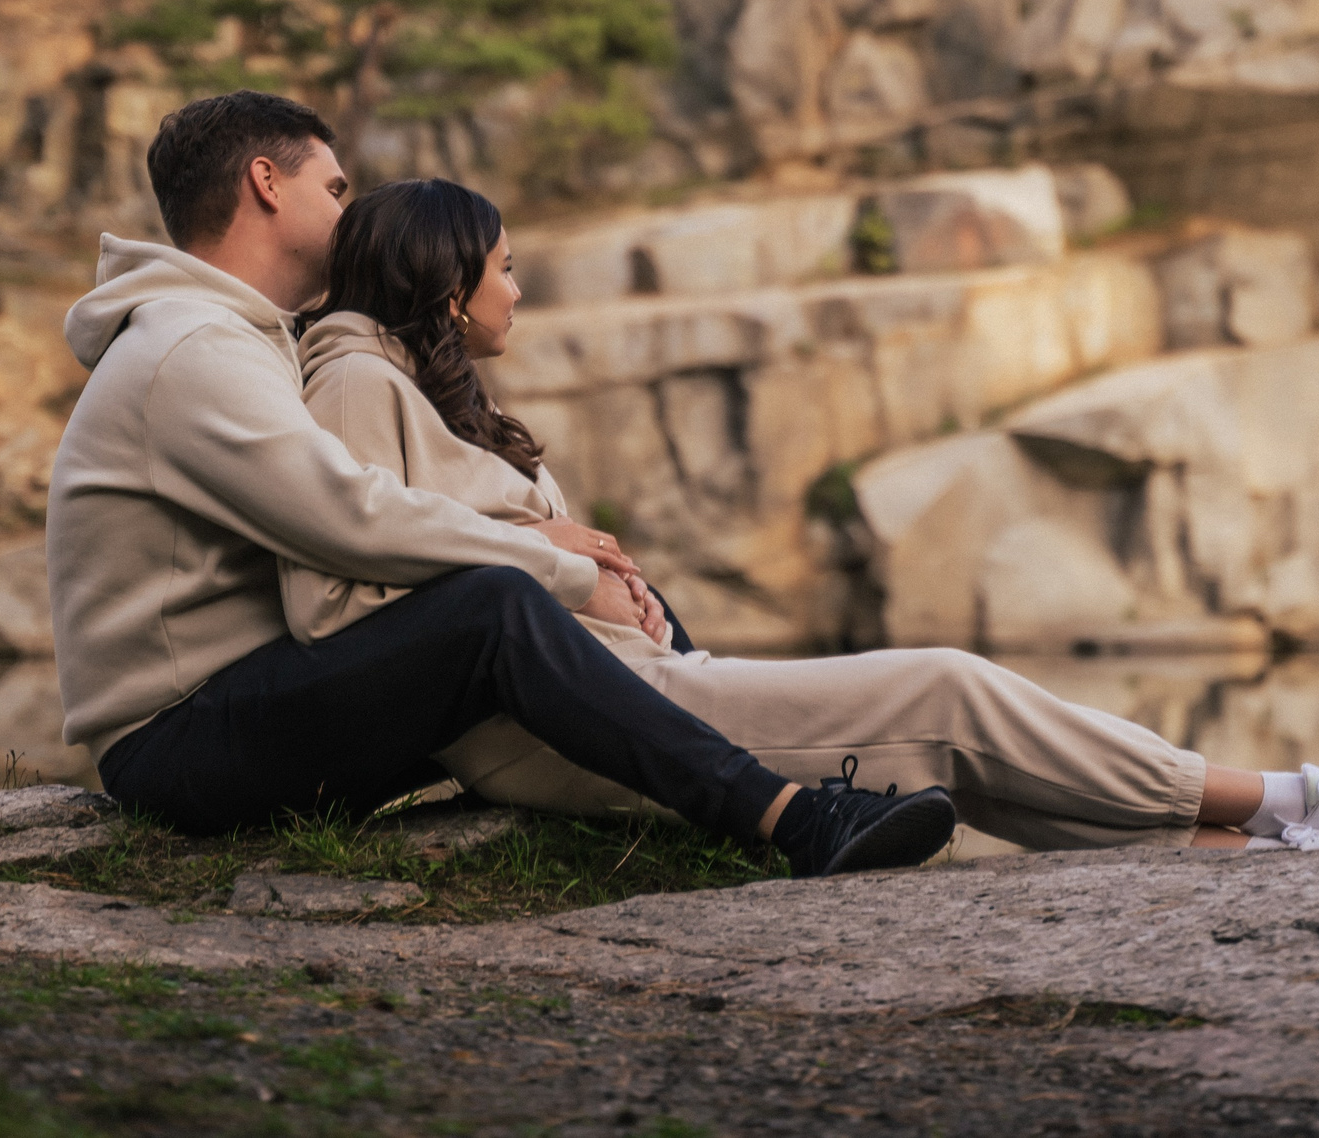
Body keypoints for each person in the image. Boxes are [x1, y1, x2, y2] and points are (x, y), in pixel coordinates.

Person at [282, 173, 1319, 855]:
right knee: (946, 690)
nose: (519, 283)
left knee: (950, 753)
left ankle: (1253, 847)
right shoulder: (351, 378)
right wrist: (540, 550)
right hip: (566, 724)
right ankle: (1299, 796)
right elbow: (342, 597)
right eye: (502, 265)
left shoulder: (412, 384)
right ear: (449, 283)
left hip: (629, 688)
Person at [47, 90, 956, 878]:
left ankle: (723, 767)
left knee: (516, 609)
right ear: (265, 183)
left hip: (246, 701)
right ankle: (792, 819)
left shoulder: (234, 340)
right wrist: (546, 557)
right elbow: (349, 516)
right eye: (333, 189)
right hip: (178, 742)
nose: (347, 213)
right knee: (491, 608)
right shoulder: (193, 348)